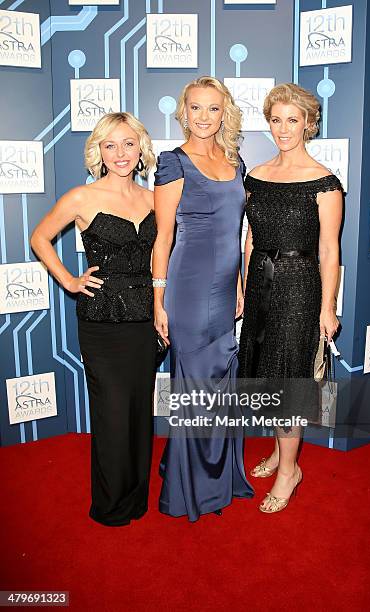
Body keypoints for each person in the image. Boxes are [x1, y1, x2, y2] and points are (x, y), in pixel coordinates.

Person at [31, 112, 157, 526]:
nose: (120, 153)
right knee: (112, 411)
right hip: (102, 321)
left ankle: (137, 495)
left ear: (141, 149)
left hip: (145, 320)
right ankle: (111, 504)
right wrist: (68, 280)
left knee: (139, 410)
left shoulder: (154, 198)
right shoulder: (82, 197)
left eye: (128, 143)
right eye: (110, 145)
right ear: (99, 152)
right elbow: (39, 237)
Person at [238, 83, 343, 513]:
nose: (283, 129)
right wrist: (243, 289)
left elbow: (330, 251)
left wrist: (327, 308)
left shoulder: (324, 182)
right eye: (276, 119)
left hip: (299, 288)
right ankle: (282, 455)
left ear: (309, 124)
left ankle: (289, 472)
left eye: (292, 120)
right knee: (265, 376)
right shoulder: (255, 176)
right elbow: (249, 240)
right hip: (261, 284)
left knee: (288, 380)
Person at [153, 76, 254, 521]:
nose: (204, 117)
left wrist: (238, 285)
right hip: (189, 288)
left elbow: (236, 232)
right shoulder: (173, 163)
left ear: (224, 113)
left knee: (221, 379)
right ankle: (189, 489)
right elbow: (162, 238)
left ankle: (219, 475)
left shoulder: (236, 163)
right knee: (194, 384)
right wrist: (160, 300)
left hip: (225, 285)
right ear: (184, 112)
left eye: (213, 109)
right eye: (196, 108)